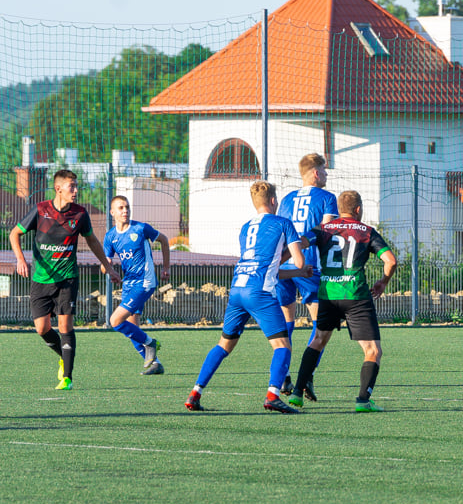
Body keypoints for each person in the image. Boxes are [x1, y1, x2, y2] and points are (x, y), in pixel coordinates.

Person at [184, 180, 310, 414]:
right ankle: (273, 395)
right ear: (274, 201)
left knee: (224, 344)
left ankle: (195, 393)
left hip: (237, 290)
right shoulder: (284, 223)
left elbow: (266, 267)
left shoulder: (245, 227)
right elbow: (299, 259)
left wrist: (298, 272)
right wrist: (300, 249)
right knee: (283, 345)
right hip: (258, 293)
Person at [9, 169, 121, 389]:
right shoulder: (41, 211)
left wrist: (108, 267)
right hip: (41, 279)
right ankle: (64, 355)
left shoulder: (80, 214)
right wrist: (20, 259)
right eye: (72, 186)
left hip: (68, 279)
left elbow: (93, 242)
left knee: (65, 325)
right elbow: (14, 233)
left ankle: (67, 377)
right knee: (41, 328)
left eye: (77, 186)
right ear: (58, 188)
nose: (76, 191)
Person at [287, 190, 398, 412]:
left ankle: (297, 393)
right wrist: (383, 282)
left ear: (339, 210)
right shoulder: (366, 232)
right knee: (372, 351)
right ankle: (363, 401)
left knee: (318, 340)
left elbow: (300, 242)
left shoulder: (323, 229)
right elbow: (391, 261)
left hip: (328, 294)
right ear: (358, 210)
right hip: (355, 296)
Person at [276, 153, 338, 401]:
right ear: (315, 173)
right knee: (321, 324)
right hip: (311, 266)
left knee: (285, 322)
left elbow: (280, 229)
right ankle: (307, 375)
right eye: (323, 170)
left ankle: (283, 376)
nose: (326, 175)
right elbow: (327, 231)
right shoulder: (327, 198)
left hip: (284, 266)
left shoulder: (287, 199)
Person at [101, 195, 170, 375]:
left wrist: (166, 267)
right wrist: (108, 269)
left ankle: (150, 343)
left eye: (127, 207)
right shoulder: (110, 236)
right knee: (132, 328)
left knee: (115, 320)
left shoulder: (140, 228)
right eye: (121, 208)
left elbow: (164, 240)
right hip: (128, 284)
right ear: (112, 212)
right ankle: (155, 364)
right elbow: (105, 263)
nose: (125, 211)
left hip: (145, 282)